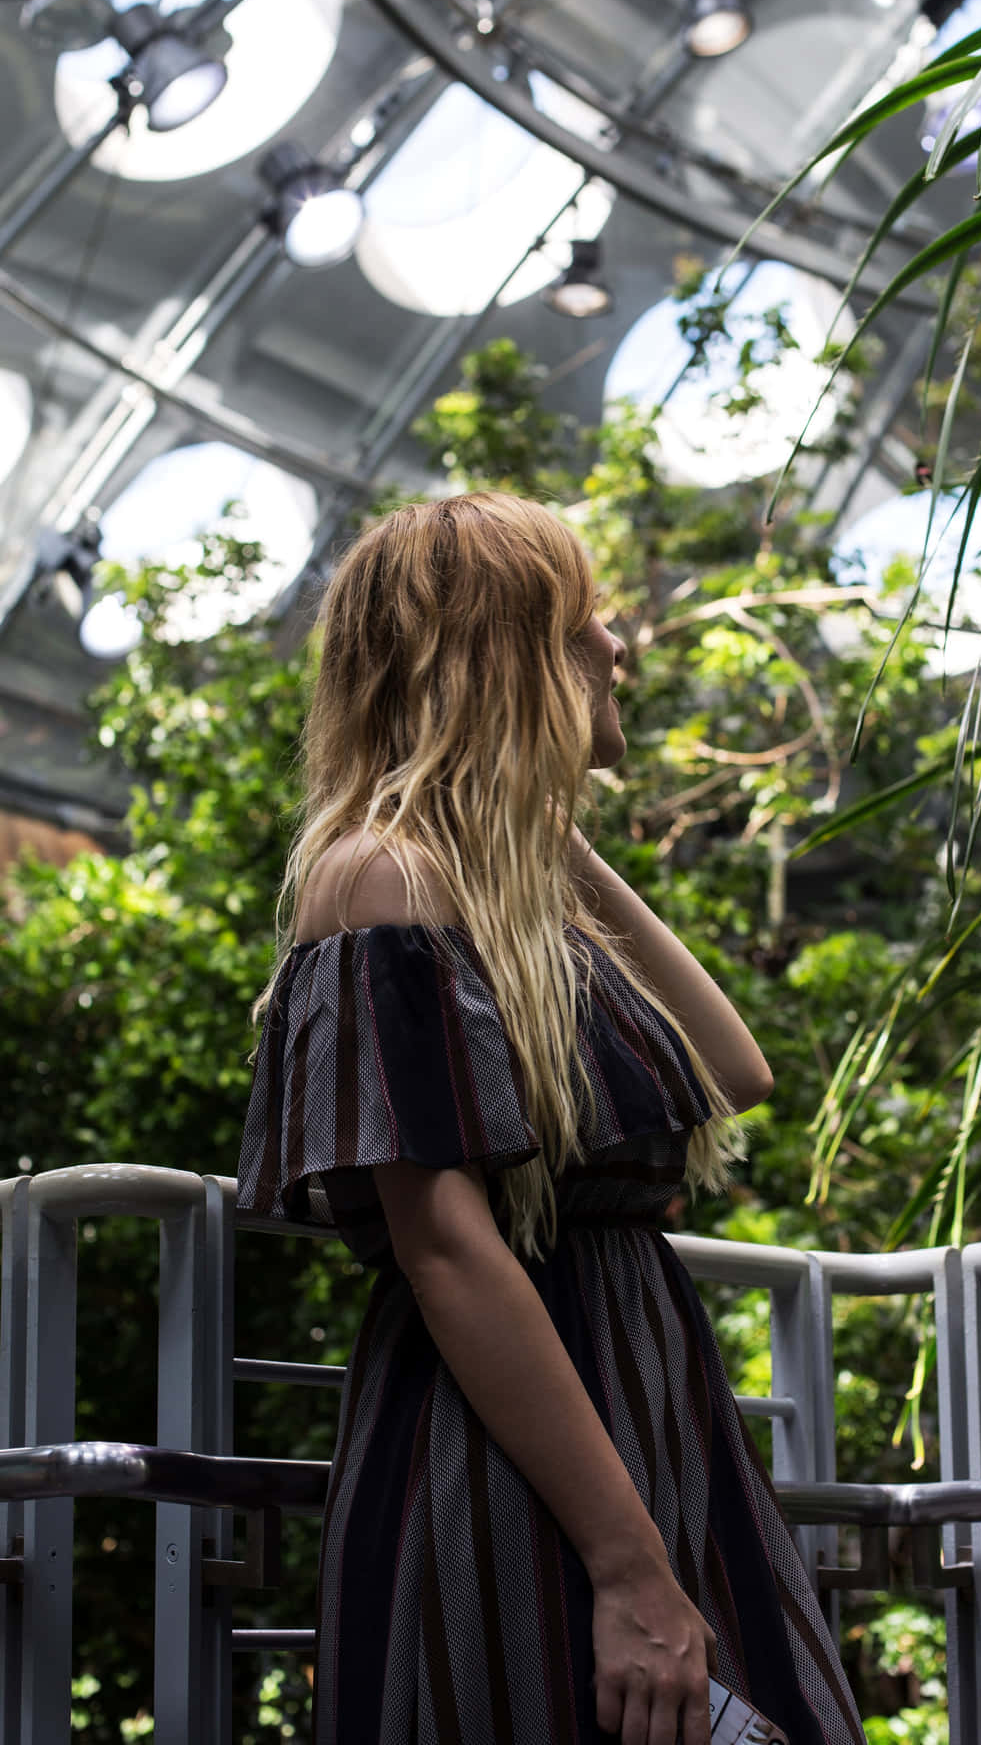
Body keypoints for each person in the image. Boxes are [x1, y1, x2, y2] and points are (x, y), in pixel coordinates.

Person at [236, 491, 867, 1745]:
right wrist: (628, 1570)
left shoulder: (518, 896)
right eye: (584, 624)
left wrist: (538, 823)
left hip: (642, 1416)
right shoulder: (379, 881)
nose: (618, 648)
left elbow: (734, 1069)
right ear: (501, 659)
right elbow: (444, 1245)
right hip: (520, 1465)